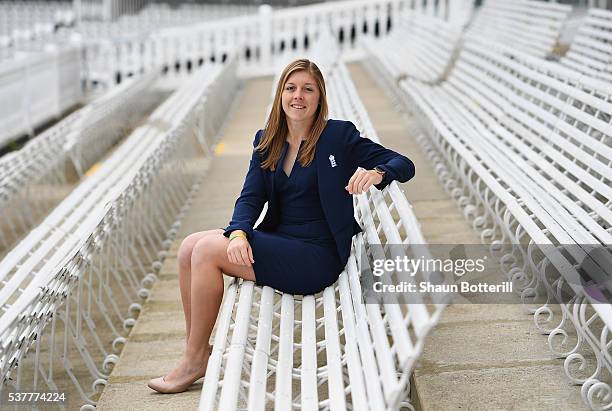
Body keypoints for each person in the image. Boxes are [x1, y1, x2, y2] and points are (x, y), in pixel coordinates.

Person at [147, 59, 415, 394]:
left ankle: (193, 359)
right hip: (281, 241)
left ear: (319, 98)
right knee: (189, 246)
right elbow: (250, 198)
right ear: (280, 95)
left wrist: (377, 173)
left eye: (308, 89)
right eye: (291, 88)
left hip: (317, 255)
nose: (298, 96)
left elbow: (403, 163)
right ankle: (197, 351)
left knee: (205, 251)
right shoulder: (267, 140)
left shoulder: (338, 136)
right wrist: (240, 233)